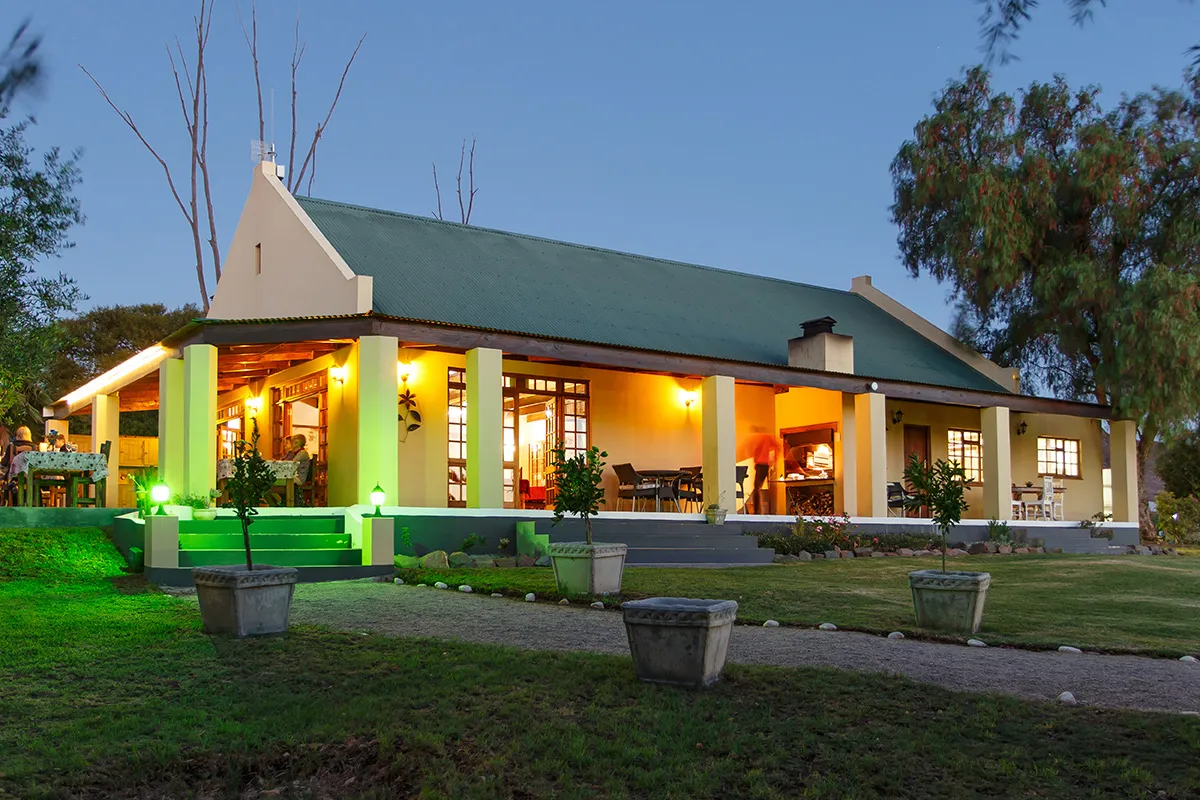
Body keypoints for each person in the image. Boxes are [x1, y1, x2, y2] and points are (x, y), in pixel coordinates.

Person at [739, 425, 782, 515]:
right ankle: (769, 510)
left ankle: (757, 510)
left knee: (757, 487)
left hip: (762, 464)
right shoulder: (766, 437)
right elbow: (778, 447)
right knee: (764, 487)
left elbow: (745, 448)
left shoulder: (758, 438)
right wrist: (775, 459)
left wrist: (774, 460)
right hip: (764, 464)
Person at [0, 426, 36, 506]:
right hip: (29, 479)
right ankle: (32, 502)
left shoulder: (11, 446)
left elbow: (4, 463)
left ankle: (9, 499)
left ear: (17, 435)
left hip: (14, 477)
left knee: (4, 479)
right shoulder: (33, 447)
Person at [281, 433, 312, 505]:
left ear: (297, 443)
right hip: (294, 476)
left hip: (298, 478)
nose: (290, 444)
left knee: (273, 482)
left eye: (292, 442)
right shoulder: (296, 453)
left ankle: (282, 502)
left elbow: (291, 464)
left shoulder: (302, 453)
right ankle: (280, 502)